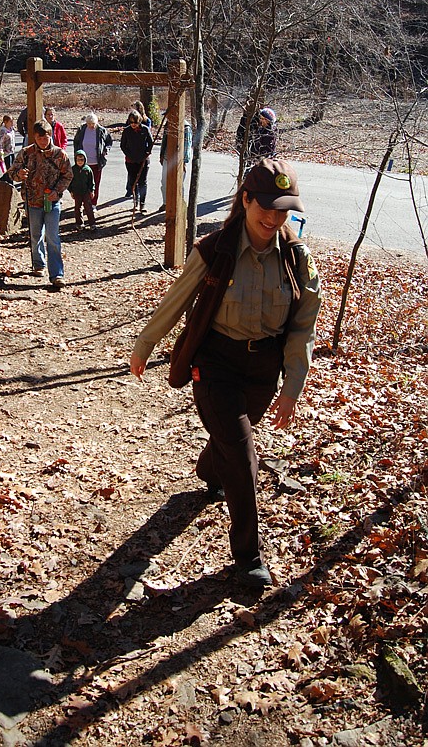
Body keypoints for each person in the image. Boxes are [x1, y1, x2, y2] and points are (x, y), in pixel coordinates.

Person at [130, 159, 321, 588]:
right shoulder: (215, 249)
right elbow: (176, 300)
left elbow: (303, 326)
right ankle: (249, 557)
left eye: (283, 210)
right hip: (216, 363)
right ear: (246, 200)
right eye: (266, 207)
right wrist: (145, 344)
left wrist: (292, 386)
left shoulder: (296, 257)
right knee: (243, 455)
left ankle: (210, 467)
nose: (273, 218)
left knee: (233, 442)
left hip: (263, 369)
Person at [9, 120, 73, 287]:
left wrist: (57, 191)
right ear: (34, 137)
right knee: (35, 235)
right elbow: (12, 173)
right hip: (32, 201)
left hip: (52, 202)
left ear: (50, 136)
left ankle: (57, 275)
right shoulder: (26, 153)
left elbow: (68, 176)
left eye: (46, 138)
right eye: (40, 138)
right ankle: (39, 264)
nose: (43, 141)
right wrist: (19, 175)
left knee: (52, 237)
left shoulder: (60, 155)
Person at [73, 112, 112, 207]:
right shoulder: (82, 130)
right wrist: (77, 154)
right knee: (82, 184)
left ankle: (93, 204)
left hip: (96, 162)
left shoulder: (102, 130)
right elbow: (76, 142)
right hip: (83, 163)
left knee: (95, 184)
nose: (91, 126)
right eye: (89, 124)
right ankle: (83, 203)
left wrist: (105, 150)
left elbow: (109, 142)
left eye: (93, 124)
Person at [120, 110, 154, 213]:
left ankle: (142, 205)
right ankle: (135, 203)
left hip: (143, 160)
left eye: (135, 122)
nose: (133, 124)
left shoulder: (145, 129)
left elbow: (151, 142)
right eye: (131, 122)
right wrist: (129, 155)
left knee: (142, 182)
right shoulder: (127, 131)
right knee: (133, 182)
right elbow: (123, 145)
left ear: (139, 121)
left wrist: (147, 152)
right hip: (130, 161)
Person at [159, 117, 193, 210]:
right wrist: (161, 155)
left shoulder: (185, 127)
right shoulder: (168, 125)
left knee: (178, 183)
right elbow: (164, 141)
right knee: (164, 182)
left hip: (179, 160)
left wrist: (184, 161)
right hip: (167, 158)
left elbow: (187, 145)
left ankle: (179, 204)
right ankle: (166, 203)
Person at [237, 106, 278, 172]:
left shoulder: (269, 133)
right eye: (260, 118)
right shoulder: (261, 129)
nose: (260, 120)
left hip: (262, 163)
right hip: (253, 160)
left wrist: (257, 161)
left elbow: (265, 151)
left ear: (268, 120)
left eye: (263, 119)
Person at [69, 150, 96, 231]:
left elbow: (92, 181)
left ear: (85, 160)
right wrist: (71, 191)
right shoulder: (73, 169)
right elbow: (69, 181)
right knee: (77, 208)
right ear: (75, 160)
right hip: (77, 192)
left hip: (86, 192)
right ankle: (79, 223)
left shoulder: (87, 169)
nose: (80, 162)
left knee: (88, 207)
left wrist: (92, 190)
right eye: (78, 160)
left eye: (82, 160)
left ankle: (92, 224)